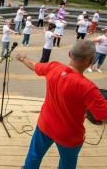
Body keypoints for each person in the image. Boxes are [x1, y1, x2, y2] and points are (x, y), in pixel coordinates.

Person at [16, 40, 107, 169]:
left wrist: (23, 58)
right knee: (67, 165)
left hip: (45, 125)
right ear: (91, 60)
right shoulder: (89, 88)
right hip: (69, 136)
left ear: (70, 54)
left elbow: (32, 65)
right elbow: (104, 117)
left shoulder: (53, 67)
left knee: (34, 155)